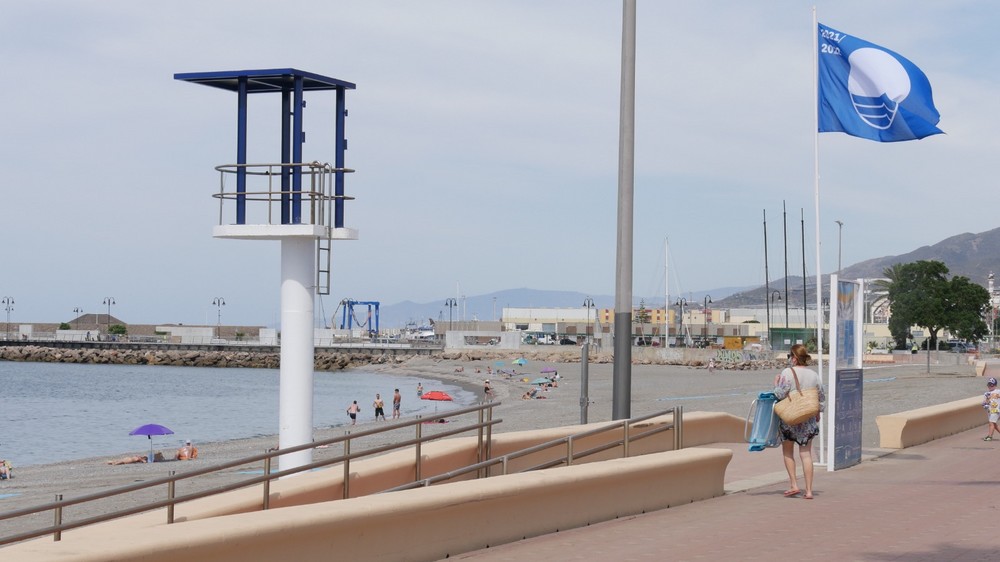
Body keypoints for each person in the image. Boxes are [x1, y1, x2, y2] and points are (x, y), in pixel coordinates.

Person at [773, 343, 826, 500]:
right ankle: (809, 491)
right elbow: (821, 396)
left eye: (790, 356)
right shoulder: (814, 375)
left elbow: (780, 394)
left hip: (790, 418)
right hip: (807, 419)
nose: (789, 359)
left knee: (788, 452)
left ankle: (794, 484)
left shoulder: (787, 373)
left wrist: (776, 383)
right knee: (806, 454)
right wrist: (818, 412)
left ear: (795, 358)